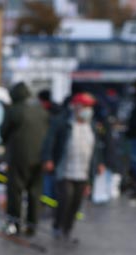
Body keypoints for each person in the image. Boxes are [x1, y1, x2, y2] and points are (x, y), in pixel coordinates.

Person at [42, 92, 100, 242]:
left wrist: (97, 167)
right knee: (65, 199)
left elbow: (95, 150)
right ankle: (58, 226)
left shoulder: (91, 126)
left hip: (84, 171)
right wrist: (48, 158)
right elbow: (50, 141)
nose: (87, 110)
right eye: (84, 106)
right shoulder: (63, 122)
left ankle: (68, 229)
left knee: (76, 202)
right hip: (65, 168)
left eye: (89, 107)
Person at [0, 81, 49, 236]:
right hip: (39, 157)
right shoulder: (41, 110)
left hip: (18, 157)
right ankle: (32, 226)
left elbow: (3, 133)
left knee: (15, 191)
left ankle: (14, 223)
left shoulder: (14, 110)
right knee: (35, 192)